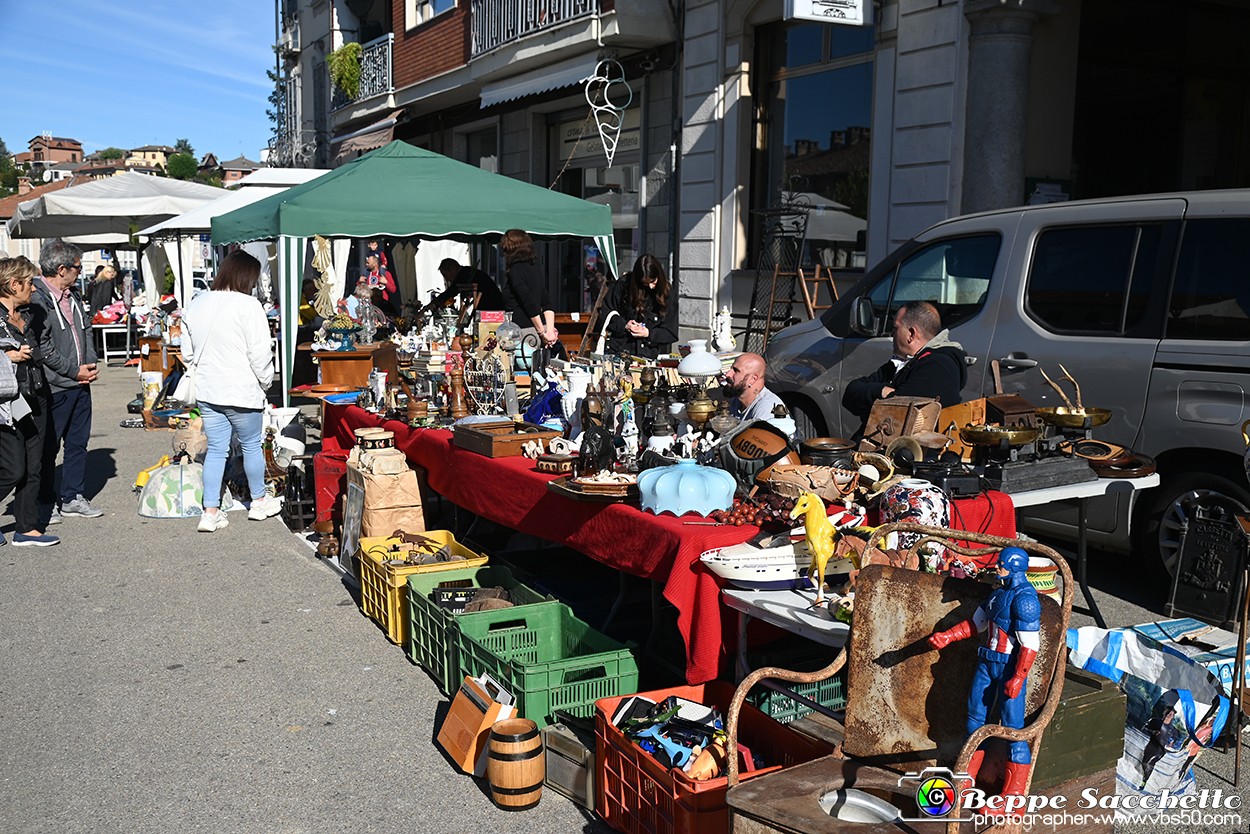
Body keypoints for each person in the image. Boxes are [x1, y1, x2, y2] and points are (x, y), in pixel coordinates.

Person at [928, 546, 1040, 807]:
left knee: (1014, 731)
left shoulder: (1025, 599)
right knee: (974, 721)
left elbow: (1029, 645)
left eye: (1001, 564)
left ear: (1014, 567)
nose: (996, 567)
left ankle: (1013, 798)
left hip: (1009, 667)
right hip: (986, 662)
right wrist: (948, 636)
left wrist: (1018, 677)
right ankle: (965, 782)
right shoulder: (997, 595)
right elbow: (975, 624)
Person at [180, 250, 279, 533]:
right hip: (242, 390)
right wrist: (265, 382)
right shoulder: (249, 306)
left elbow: (188, 353)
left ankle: (210, 512)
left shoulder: (197, 303)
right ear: (248, 276)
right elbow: (260, 354)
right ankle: (258, 502)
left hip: (209, 390)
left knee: (216, 451)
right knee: (251, 446)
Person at [32, 240, 102, 524]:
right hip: (56, 385)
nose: (79, 273)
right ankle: (45, 501)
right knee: (48, 447)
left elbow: (85, 329)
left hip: (80, 384)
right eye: (77, 268)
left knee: (77, 443)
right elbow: (42, 346)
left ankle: (72, 497)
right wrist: (73, 371)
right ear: (62, 269)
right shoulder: (37, 298)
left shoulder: (71, 295)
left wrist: (91, 360)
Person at [0, 258, 58, 546]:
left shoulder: (29, 314)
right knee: (13, 468)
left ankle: (27, 527)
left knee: (34, 465)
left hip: (35, 396)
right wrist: (5, 357)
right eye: (29, 283)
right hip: (7, 403)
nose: (34, 289)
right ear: (13, 285)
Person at [842, 300, 966, 432]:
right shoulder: (901, 362)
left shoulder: (937, 368)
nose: (891, 334)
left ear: (911, 334)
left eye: (895, 328)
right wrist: (882, 391)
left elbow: (888, 416)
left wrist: (872, 399)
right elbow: (851, 393)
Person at [601, 254, 677, 360]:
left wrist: (649, 334)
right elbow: (605, 312)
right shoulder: (624, 285)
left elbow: (671, 332)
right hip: (620, 351)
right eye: (645, 283)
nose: (650, 286)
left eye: (653, 281)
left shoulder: (667, 294)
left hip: (648, 355)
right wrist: (624, 325)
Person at [500, 229, 557, 348]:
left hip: (524, 333)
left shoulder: (515, 271)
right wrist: (549, 331)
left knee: (521, 366)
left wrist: (542, 333)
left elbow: (528, 302)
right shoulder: (535, 269)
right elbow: (547, 302)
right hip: (540, 331)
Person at [721, 352, 785, 422]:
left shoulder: (766, 410)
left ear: (753, 379)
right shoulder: (736, 401)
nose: (728, 374)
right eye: (731, 369)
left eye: (736, 370)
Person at [430, 258, 505, 313]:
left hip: (493, 307)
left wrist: (434, 303)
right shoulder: (466, 272)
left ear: (453, 268)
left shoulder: (464, 274)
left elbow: (451, 291)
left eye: (445, 275)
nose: (447, 279)